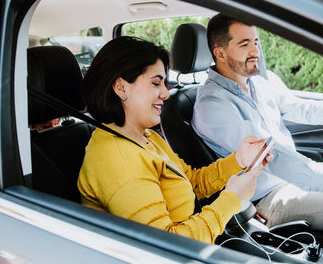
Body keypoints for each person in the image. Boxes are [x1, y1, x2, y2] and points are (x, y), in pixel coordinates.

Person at [192, 13, 323, 231]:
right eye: (244, 44)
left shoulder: (260, 83)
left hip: (297, 180)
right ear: (220, 53)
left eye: (256, 42)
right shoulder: (212, 105)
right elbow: (272, 156)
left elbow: (306, 109)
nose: (255, 51)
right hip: (269, 198)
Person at [77, 36, 273, 244]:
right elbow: (165, 245)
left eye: (165, 83)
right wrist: (232, 200)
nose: (165, 93)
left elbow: (191, 183)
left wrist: (238, 161)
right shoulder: (118, 159)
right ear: (121, 88)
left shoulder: (146, 137)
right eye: (155, 83)